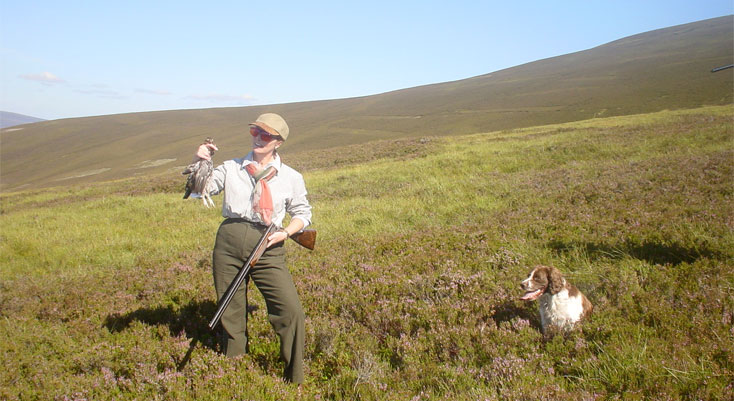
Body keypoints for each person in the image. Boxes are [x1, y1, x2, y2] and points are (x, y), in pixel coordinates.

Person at [193, 113, 312, 384]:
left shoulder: (291, 177)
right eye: (255, 131)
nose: (259, 137)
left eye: (267, 135)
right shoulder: (231, 168)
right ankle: (235, 370)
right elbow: (200, 189)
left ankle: (295, 379)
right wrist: (201, 161)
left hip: (268, 244)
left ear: (279, 142)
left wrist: (285, 232)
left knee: (290, 310)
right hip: (229, 241)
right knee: (230, 308)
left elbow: (303, 213)